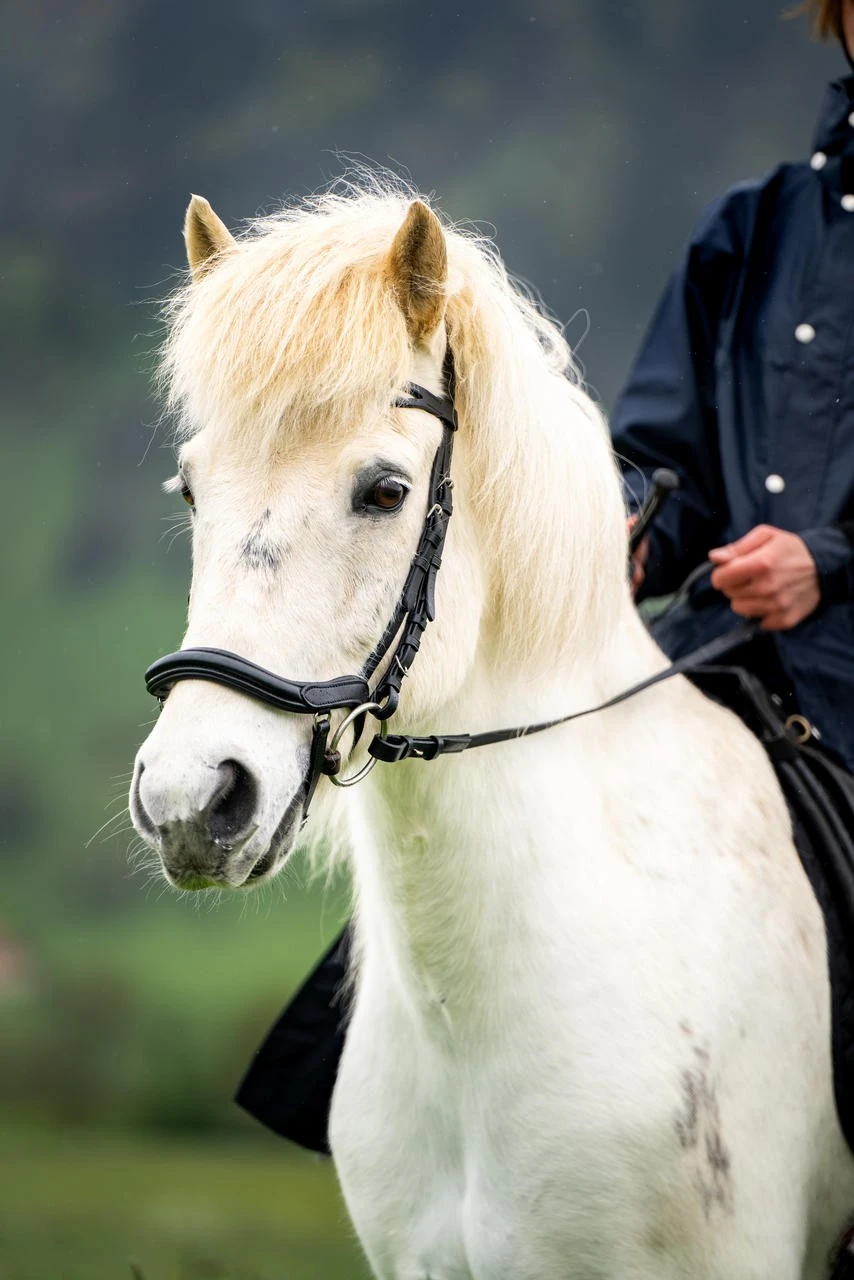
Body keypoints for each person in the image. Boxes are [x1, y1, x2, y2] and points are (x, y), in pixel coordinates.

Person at [613, 0, 854, 773]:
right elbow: (665, 464)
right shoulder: (749, 226)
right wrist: (632, 534)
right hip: (709, 665)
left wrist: (830, 562)